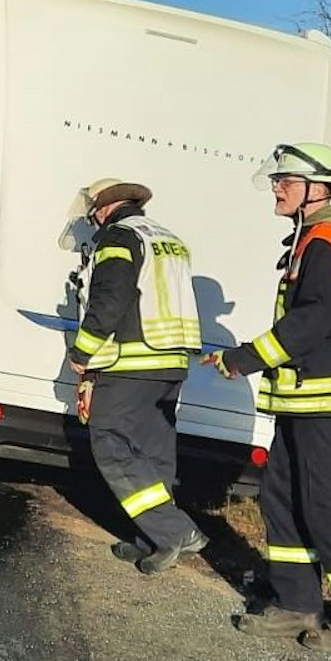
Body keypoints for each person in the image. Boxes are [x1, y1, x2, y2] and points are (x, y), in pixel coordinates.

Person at [206, 143, 331, 655]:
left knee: (330, 509)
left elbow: (312, 321)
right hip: (302, 402)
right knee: (281, 499)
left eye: (286, 180)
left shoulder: (328, 241)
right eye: (277, 179)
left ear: (318, 187)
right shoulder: (311, 239)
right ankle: (296, 604)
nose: (277, 187)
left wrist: (245, 358)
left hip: (326, 405)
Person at [65, 178, 208, 574]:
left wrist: (83, 351)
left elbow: (110, 298)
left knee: (110, 443)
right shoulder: (167, 238)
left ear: (104, 208)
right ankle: (153, 539)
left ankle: (176, 531)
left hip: (132, 360)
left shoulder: (118, 238)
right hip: (171, 361)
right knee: (152, 453)